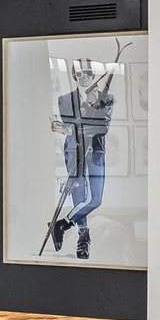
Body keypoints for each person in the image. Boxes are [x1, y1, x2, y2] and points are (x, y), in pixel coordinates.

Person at [48, 58, 116, 260]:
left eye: (88, 73)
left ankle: (61, 224)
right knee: (79, 194)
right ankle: (83, 238)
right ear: (74, 76)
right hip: (74, 151)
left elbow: (102, 129)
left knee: (95, 199)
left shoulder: (107, 98)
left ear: (93, 75)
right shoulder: (65, 100)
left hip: (96, 152)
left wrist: (92, 109)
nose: (84, 77)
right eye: (80, 74)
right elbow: (74, 131)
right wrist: (82, 116)